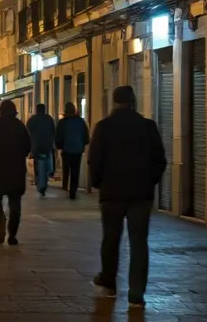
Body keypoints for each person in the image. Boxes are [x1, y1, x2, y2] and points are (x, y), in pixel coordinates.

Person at [89, 86, 167, 309]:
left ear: (114, 101)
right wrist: (148, 181)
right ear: (133, 101)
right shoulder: (148, 127)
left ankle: (108, 282)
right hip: (140, 195)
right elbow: (159, 160)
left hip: (112, 193)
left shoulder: (104, 127)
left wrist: (99, 183)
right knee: (139, 243)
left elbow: (95, 159)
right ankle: (136, 294)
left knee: (110, 239)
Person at [0, 100, 31, 245]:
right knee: (15, 203)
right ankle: (12, 235)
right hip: (16, 170)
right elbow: (27, 147)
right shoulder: (20, 126)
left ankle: (0, 219)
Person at [55, 101, 90, 199]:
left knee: (66, 168)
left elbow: (58, 136)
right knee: (75, 170)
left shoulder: (62, 122)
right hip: (77, 150)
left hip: (66, 149)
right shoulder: (81, 122)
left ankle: (65, 185)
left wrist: (59, 146)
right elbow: (86, 137)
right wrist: (82, 144)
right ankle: (73, 190)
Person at [26, 103, 57, 196]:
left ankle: (38, 180)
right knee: (47, 162)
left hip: (36, 146)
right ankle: (46, 177)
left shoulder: (32, 120)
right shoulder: (49, 119)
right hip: (47, 146)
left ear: (36, 110)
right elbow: (53, 131)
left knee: (37, 164)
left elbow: (28, 132)